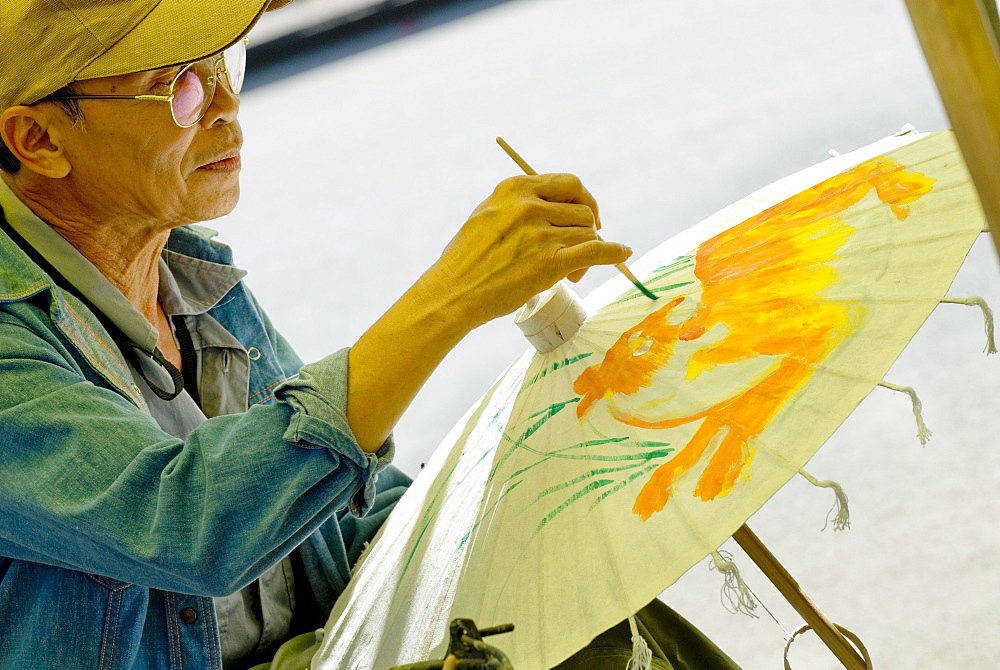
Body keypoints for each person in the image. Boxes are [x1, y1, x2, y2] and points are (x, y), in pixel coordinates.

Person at [0, 1, 738, 668]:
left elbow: (352, 519)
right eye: (180, 88)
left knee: (594, 619)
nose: (227, 108)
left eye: (229, 65)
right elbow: (191, 523)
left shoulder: (190, 278)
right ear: (38, 139)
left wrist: (555, 469)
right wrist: (449, 299)